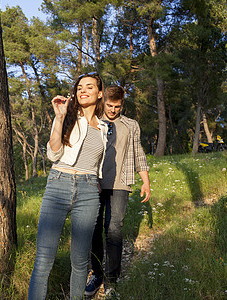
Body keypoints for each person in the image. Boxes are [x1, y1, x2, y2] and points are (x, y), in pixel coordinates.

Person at [28, 73, 108, 300]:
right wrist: (60, 118)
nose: (83, 90)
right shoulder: (68, 117)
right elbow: (53, 153)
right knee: (44, 259)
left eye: (89, 87)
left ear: (99, 93)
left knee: (81, 261)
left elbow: (98, 165)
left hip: (89, 190)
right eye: (79, 87)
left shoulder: (103, 128)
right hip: (58, 184)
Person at [84, 85, 151, 297]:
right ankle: (96, 274)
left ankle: (112, 279)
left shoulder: (131, 125)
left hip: (120, 184)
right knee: (94, 229)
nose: (113, 110)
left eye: (117, 106)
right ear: (103, 102)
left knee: (113, 230)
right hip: (93, 183)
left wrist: (145, 182)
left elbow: (138, 153)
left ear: (123, 104)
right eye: (109, 106)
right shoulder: (92, 121)